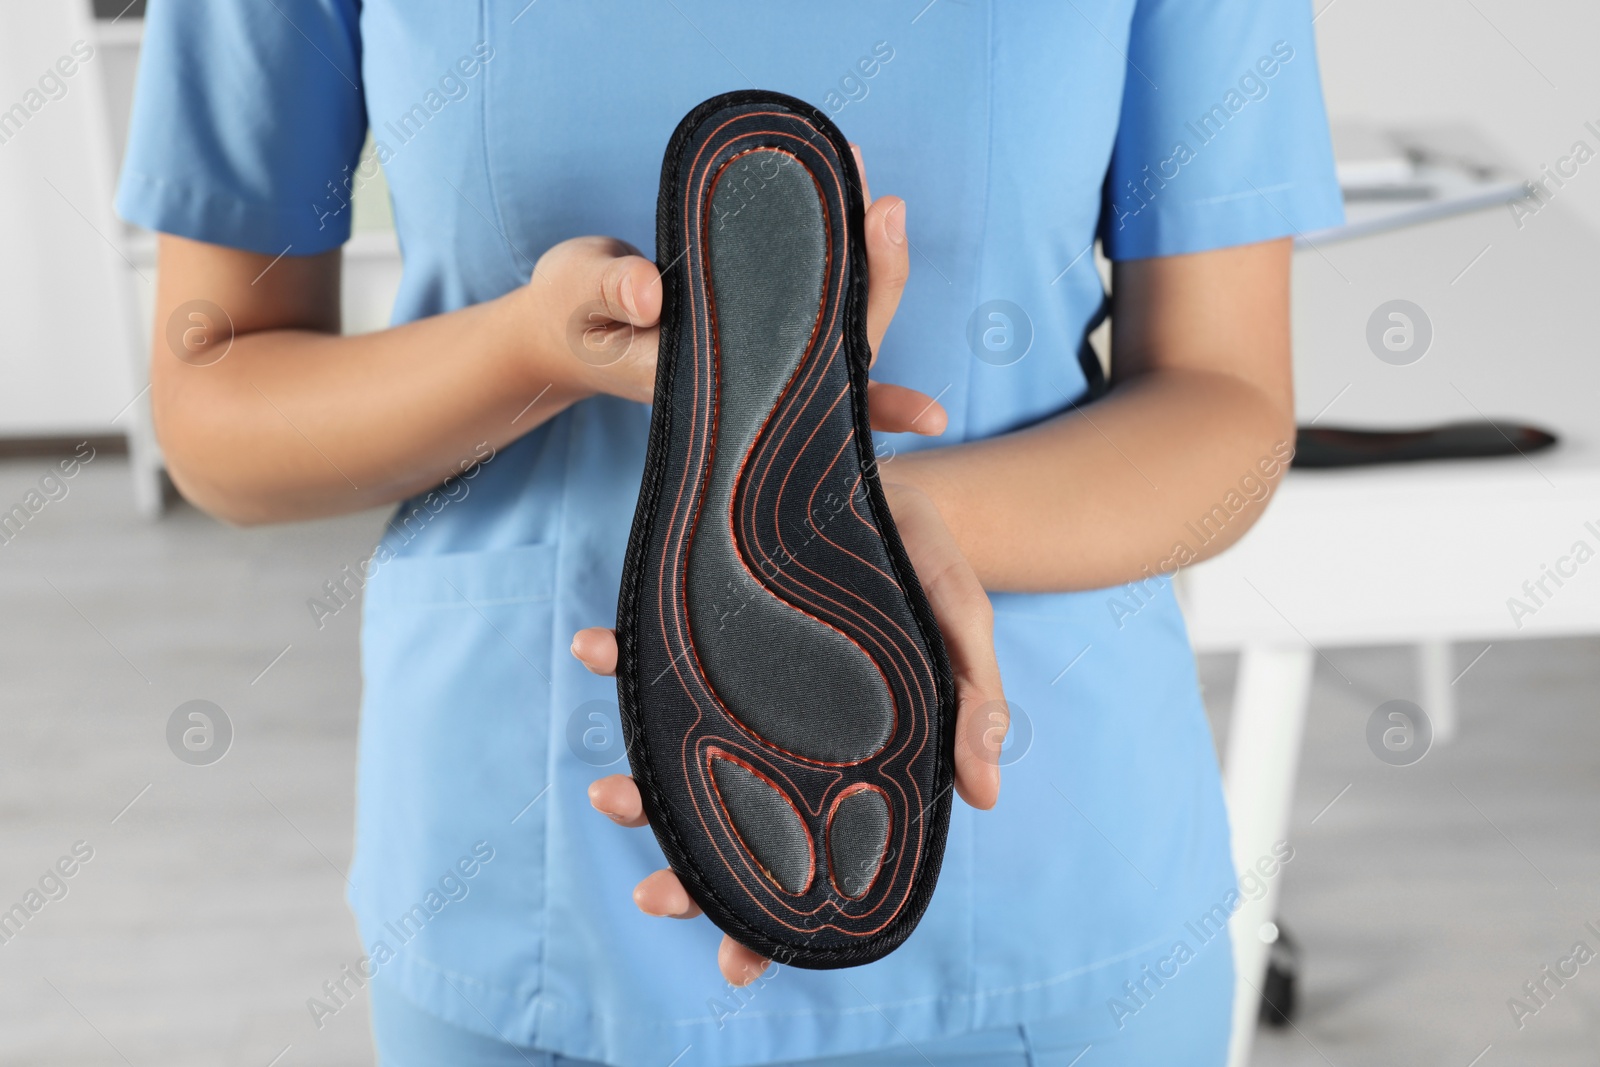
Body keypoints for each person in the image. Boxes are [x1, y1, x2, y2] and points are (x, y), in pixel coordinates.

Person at [117, 2, 1341, 1064]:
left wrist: (862, 530)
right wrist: (529, 354)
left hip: (1045, 882)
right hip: (523, 879)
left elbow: (1228, 412)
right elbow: (218, 409)